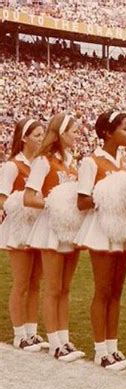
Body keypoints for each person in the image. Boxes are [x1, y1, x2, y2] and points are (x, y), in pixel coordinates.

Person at [75, 110, 126, 370]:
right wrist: (107, 196)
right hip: (101, 229)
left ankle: (113, 346)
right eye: (124, 128)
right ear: (108, 133)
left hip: (122, 230)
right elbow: (82, 201)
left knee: (117, 291)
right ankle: (101, 350)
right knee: (103, 290)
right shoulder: (91, 162)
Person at [23, 112, 85, 362]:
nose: (76, 135)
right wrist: (54, 205)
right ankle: (54, 342)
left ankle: (64, 338)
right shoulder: (43, 162)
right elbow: (29, 197)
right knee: (53, 287)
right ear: (60, 133)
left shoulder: (71, 161)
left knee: (65, 288)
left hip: (69, 228)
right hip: (51, 227)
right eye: (73, 131)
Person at [0, 117, 46, 351]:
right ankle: (19, 334)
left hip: (37, 227)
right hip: (19, 228)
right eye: (37, 135)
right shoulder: (12, 166)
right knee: (21, 282)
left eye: (42, 135)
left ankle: (32, 331)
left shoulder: (40, 165)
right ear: (24, 138)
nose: (41, 139)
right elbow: (2, 200)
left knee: (35, 282)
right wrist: (21, 207)